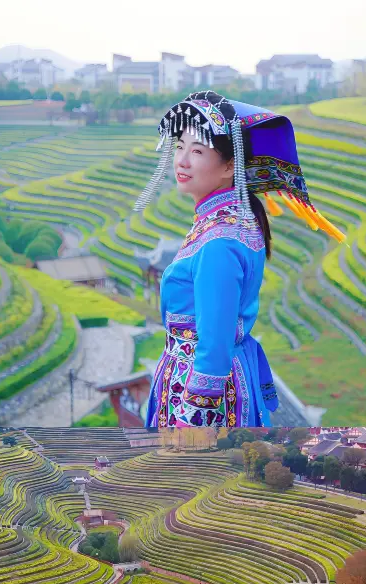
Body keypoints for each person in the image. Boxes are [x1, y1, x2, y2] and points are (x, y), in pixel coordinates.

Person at [135, 90, 344, 429]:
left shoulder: (219, 241)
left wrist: (193, 421)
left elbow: (214, 345)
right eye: (180, 148)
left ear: (230, 166)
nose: (182, 161)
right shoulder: (232, 220)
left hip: (198, 392)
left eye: (198, 151)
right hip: (214, 374)